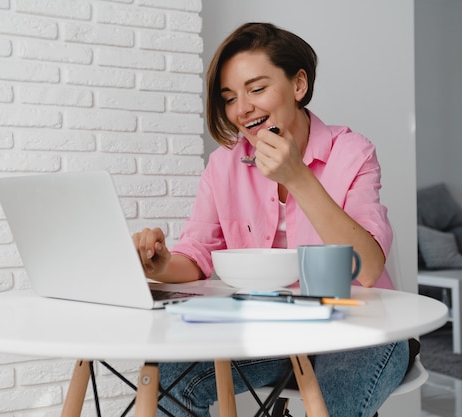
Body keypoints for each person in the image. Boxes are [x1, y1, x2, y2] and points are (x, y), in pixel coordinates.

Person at [133, 22, 409, 417]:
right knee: (172, 381)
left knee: (330, 408)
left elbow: (367, 270)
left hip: (359, 329)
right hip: (272, 330)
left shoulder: (354, 153)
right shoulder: (224, 165)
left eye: (256, 89)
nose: (241, 109)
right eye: (229, 97)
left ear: (298, 85)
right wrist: (162, 265)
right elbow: (199, 252)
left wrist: (298, 177)